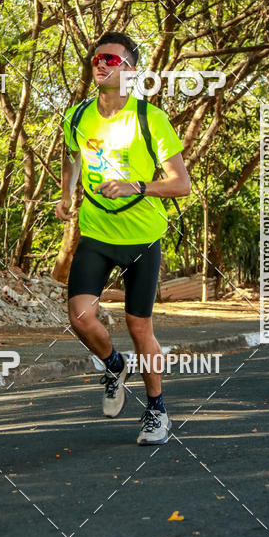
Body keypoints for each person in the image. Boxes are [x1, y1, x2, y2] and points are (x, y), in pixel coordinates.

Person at [55, 31, 191, 445]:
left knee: (138, 325)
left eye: (111, 60)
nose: (100, 64)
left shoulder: (151, 119)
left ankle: (157, 410)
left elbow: (181, 184)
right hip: (97, 231)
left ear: (131, 71)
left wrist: (137, 186)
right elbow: (71, 157)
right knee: (79, 317)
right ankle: (114, 365)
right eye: (96, 58)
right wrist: (66, 194)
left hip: (142, 237)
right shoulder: (78, 116)